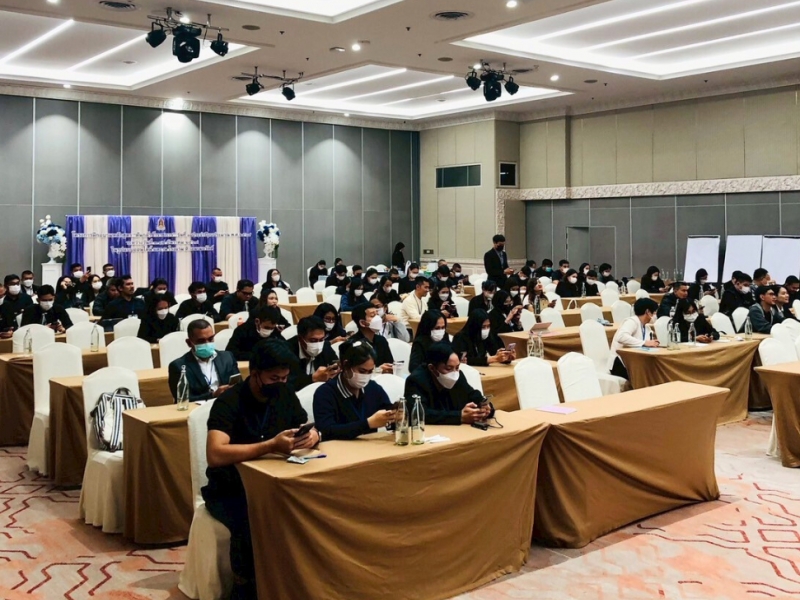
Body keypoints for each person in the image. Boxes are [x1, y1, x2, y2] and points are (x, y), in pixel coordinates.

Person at [203, 338, 318, 600]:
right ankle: (247, 586)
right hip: (231, 486)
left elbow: (304, 426)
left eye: (285, 378)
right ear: (255, 374)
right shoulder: (229, 401)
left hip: (278, 480)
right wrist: (269, 446)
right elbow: (215, 454)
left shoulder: (285, 394)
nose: (280, 383)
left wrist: (313, 436)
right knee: (254, 518)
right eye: (274, 378)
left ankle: (301, 580)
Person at [313, 338, 395, 441]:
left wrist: (397, 416)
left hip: (369, 447)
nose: (366, 376)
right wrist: (368, 424)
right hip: (339, 448)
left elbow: (388, 414)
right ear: (345, 365)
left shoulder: (373, 388)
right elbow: (326, 431)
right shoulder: (325, 393)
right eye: (362, 371)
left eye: (370, 371)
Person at [404, 343, 493, 425]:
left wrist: (484, 405)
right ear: (432, 368)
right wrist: (459, 416)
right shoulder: (416, 381)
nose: (454, 373)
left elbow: (471, 393)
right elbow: (420, 413)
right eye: (448, 368)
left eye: (457, 367)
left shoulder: (458, 376)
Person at [168, 319, 240, 401]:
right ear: (189, 343)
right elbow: (182, 399)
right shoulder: (178, 366)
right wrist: (213, 395)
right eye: (201, 341)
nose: (207, 343)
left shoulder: (227, 357)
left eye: (210, 339)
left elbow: (239, 386)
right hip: (198, 407)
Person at [608, 298, 660, 380]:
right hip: (619, 363)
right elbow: (621, 337)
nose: (655, 316)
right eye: (654, 312)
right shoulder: (632, 321)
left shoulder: (647, 327)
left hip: (635, 362)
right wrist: (644, 343)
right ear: (647, 312)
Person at [285, 316, 340, 391]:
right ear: (300, 339)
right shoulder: (286, 351)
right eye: (313, 340)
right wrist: (312, 378)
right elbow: (286, 382)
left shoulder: (325, 346)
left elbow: (335, 364)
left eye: (321, 339)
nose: (318, 345)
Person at [350, 304, 394, 372]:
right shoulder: (353, 344)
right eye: (372, 316)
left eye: (377, 314)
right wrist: (377, 370)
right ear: (362, 323)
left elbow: (390, 363)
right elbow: (356, 371)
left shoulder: (382, 340)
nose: (378, 318)